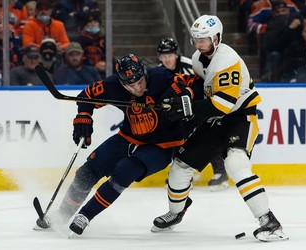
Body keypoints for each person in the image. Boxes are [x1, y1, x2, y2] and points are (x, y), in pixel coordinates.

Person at [152, 15, 288, 242]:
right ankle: (176, 213)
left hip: (239, 117)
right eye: (196, 39)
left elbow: (222, 105)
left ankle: (268, 221)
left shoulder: (227, 60)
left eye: (204, 39)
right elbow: (199, 85)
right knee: (180, 166)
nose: (198, 45)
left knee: (236, 163)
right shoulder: (197, 58)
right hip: (216, 118)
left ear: (217, 37)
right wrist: (180, 96)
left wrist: (186, 108)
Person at [34, 54, 202, 236]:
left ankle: (85, 215)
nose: (137, 87)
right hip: (128, 138)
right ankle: (62, 215)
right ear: (121, 83)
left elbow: (197, 82)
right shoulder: (113, 85)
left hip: (163, 145)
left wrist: (185, 93)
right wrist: (83, 116)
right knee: (87, 172)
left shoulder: (162, 77)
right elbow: (87, 96)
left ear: (144, 73)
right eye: (130, 85)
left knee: (124, 170)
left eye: (140, 81)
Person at [157, 37, 229, 191]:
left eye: (169, 55)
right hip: (180, 112)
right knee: (177, 140)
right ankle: (185, 176)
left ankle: (220, 173)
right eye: (163, 56)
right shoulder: (159, 72)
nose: (166, 59)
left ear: (176, 54)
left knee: (206, 136)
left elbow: (206, 82)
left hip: (199, 106)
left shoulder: (191, 64)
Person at [76, 11, 113, 80]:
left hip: (104, 69)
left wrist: (105, 63)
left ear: (99, 24)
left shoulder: (105, 39)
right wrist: (92, 66)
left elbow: (110, 54)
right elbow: (79, 56)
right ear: (86, 25)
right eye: (90, 22)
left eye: (95, 22)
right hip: (86, 71)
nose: (93, 24)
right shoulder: (80, 40)